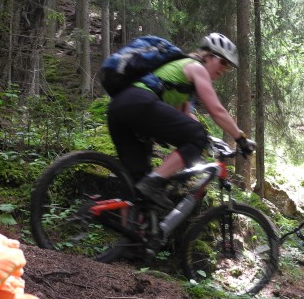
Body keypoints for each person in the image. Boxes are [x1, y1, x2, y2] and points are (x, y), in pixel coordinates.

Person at [107, 32, 256, 208]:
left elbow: (185, 119)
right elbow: (216, 110)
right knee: (194, 138)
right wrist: (240, 138)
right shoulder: (195, 67)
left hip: (119, 109)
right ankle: (155, 181)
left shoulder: (183, 86)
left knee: (138, 190)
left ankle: (127, 230)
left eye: (228, 66)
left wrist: (209, 140)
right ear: (207, 56)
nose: (224, 69)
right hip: (138, 102)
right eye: (222, 62)